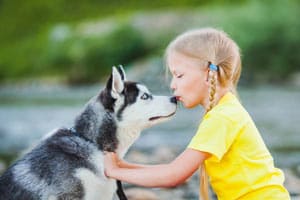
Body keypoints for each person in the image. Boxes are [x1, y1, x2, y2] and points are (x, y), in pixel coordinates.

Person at [104, 27, 290, 199]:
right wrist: (122, 166)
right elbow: (174, 171)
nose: (172, 85)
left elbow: (173, 175)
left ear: (210, 74)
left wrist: (114, 172)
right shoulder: (225, 110)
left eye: (179, 75)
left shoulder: (222, 118)